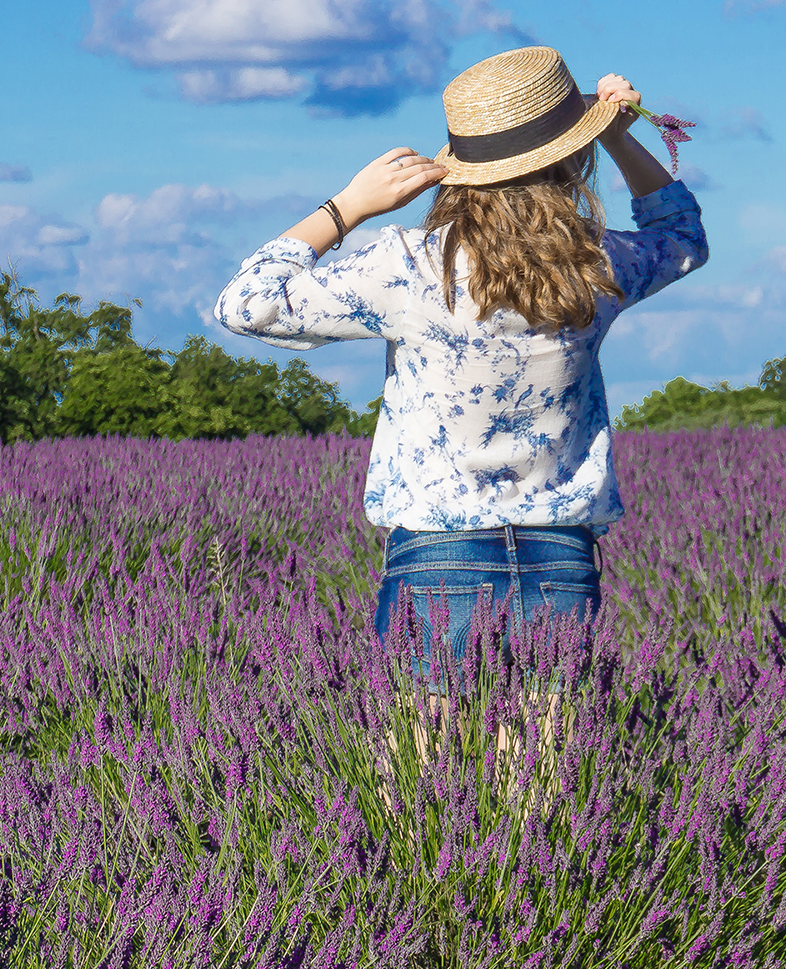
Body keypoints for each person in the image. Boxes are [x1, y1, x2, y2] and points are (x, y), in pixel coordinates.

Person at [214, 47, 705, 705]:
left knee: (426, 789)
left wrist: (348, 207)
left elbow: (244, 305)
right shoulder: (597, 263)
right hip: (561, 561)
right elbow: (682, 234)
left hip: (436, 561)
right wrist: (616, 134)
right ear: (570, 157)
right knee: (545, 795)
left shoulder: (405, 266)